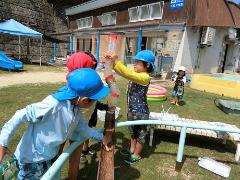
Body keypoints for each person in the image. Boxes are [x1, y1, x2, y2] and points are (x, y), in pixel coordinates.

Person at [0, 68, 110, 179]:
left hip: (50, 155)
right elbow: (19, 116)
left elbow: (82, 128)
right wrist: (2, 143)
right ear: (84, 100)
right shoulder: (52, 105)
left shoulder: (75, 108)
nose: (96, 102)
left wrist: (102, 138)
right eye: (95, 99)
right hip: (32, 159)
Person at [108, 50, 155, 164]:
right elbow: (123, 73)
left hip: (141, 112)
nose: (134, 64)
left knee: (140, 135)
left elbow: (128, 73)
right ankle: (131, 150)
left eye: (138, 62)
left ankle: (137, 155)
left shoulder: (145, 77)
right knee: (133, 133)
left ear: (147, 65)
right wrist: (112, 63)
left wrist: (117, 61)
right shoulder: (137, 75)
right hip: (132, 110)